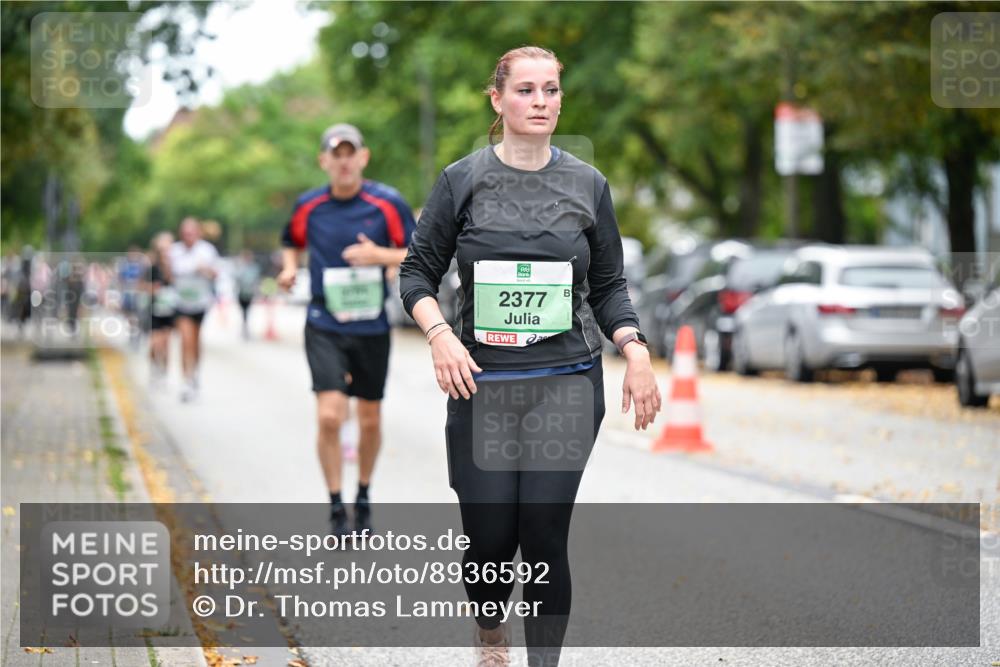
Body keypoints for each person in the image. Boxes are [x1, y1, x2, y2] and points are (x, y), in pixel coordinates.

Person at [398, 46, 661, 667]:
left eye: (550, 90)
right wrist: (441, 336)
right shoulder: (461, 180)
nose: (540, 102)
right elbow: (416, 274)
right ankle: (491, 634)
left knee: (543, 536)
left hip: (565, 381)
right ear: (498, 99)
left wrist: (636, 349)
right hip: (482, 384)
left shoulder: (587, 184)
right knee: (490, 543)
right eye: (526, 91)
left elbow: (608, 286)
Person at [278, 123, 416, 537]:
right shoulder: (309, 206)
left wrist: (380, 255)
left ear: (363, 158)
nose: (343, 160)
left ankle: (363, 493)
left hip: (372, 323)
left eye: (349, 152)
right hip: (324, 322)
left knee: (370, 419)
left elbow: (419, 251)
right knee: (330, 415)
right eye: (334, 154)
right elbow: (291, 240)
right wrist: (288, 269)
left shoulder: (387, 203)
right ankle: (337, 505)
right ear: (324, 161)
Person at [169, 217, 220, 402]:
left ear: (198, 233)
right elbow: (169, 275)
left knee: (196, 341)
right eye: (185, 232)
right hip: (181, 303)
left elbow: (216, 274)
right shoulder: (174, 251)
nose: (188, 236)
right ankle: (186, 380)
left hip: (200, 303)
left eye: (192, 232)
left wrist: (205, 270)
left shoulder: (207, 250)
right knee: (185, 340)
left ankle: (195, 372)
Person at [148, 232, 176, 388]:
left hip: (170, 310)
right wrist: (152, 289)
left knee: (166, 343)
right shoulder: (152, 267)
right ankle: (154, 368)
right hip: (154, 309)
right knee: (154, 343)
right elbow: (141, 285)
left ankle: (164, 373)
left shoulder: (176, 266)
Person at [234, 250, 261, 340]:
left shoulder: (253, 268)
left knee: (247, 312)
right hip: (242, 293)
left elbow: (256, 281)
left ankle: (245, 328)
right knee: (243, 312)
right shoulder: (240, 267)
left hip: (249, 294)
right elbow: (237, 279)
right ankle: (244, 328)